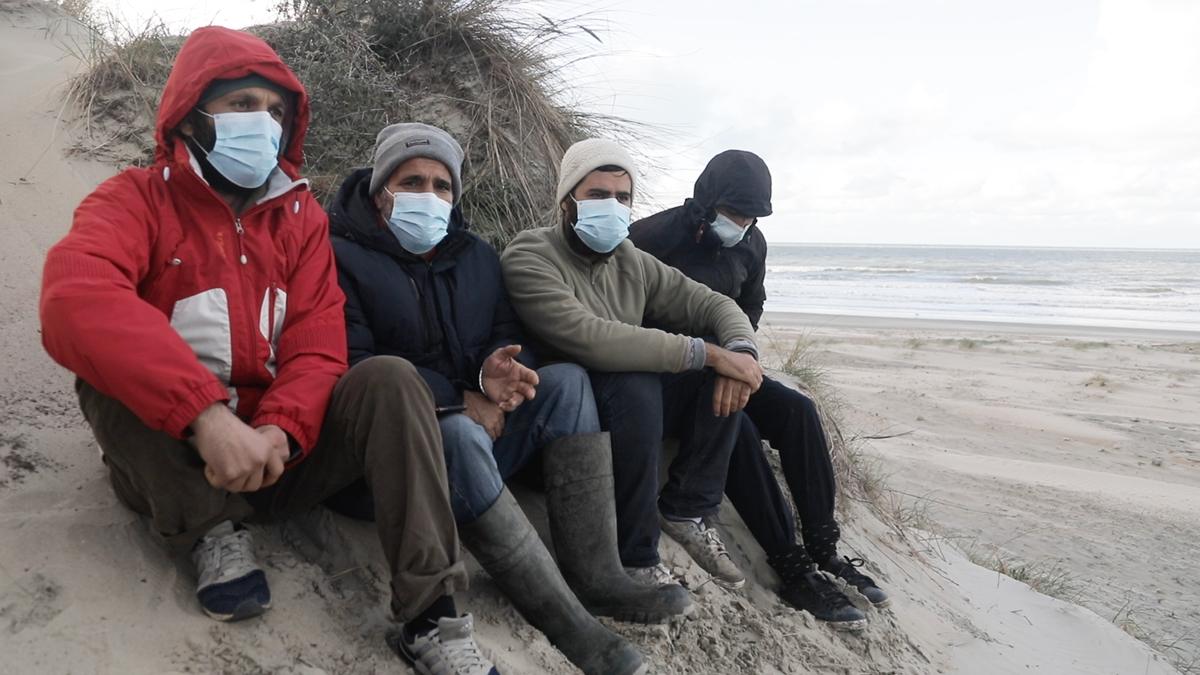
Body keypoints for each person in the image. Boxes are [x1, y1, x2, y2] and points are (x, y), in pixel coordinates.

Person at [39, 27, 505, 675]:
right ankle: (211, 531)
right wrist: (206, 418)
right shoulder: (136, 199)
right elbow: (73, 297)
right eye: (243, 104)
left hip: (277, 460)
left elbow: (318, 344)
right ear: (194, 112)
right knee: (103, 374)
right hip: (174, 459)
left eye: (276, 109)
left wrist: (281, 430)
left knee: (390, 378)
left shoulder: (301, 218)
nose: (264, 121)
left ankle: (431, 614)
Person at [327, 123, 697, 675]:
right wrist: (459, 399)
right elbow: (354, 368)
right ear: (382, 190)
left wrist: (494, 374)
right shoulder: (337, 255)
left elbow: (501, 331)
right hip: (391, 469)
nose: (429, 197)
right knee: (453, 430)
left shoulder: (474, 254)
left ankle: (596, 577)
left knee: (568, 381)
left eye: (442, 185)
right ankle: (568, 622)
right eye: (412, 182)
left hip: (481, 437)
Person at [628, 149, 891, 630]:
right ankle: (792, 568)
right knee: (740, 423)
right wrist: (712, 360)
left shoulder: (753, 243)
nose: (742, 224)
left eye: (752, 216)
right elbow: (622, 317)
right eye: (734, 213)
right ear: (706, 201)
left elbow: (751, 305)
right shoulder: (650, 238)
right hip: (663, 376)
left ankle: (825, 550)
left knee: (797, 410)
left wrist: (739, 355)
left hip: (727, 362)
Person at [500, 139, 764, 593]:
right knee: (639, 379)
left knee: (720, 372)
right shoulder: (529, 255)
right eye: (598, 195)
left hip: (622, 424)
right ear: (568, 201)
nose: (613, 206)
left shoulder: (631, 260)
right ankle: (636, 556)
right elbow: (591, 338)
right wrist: (708, 351)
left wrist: (740, 352)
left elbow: (713, 304)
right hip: (552, 438)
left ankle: (686, 510)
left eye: (623, 198)